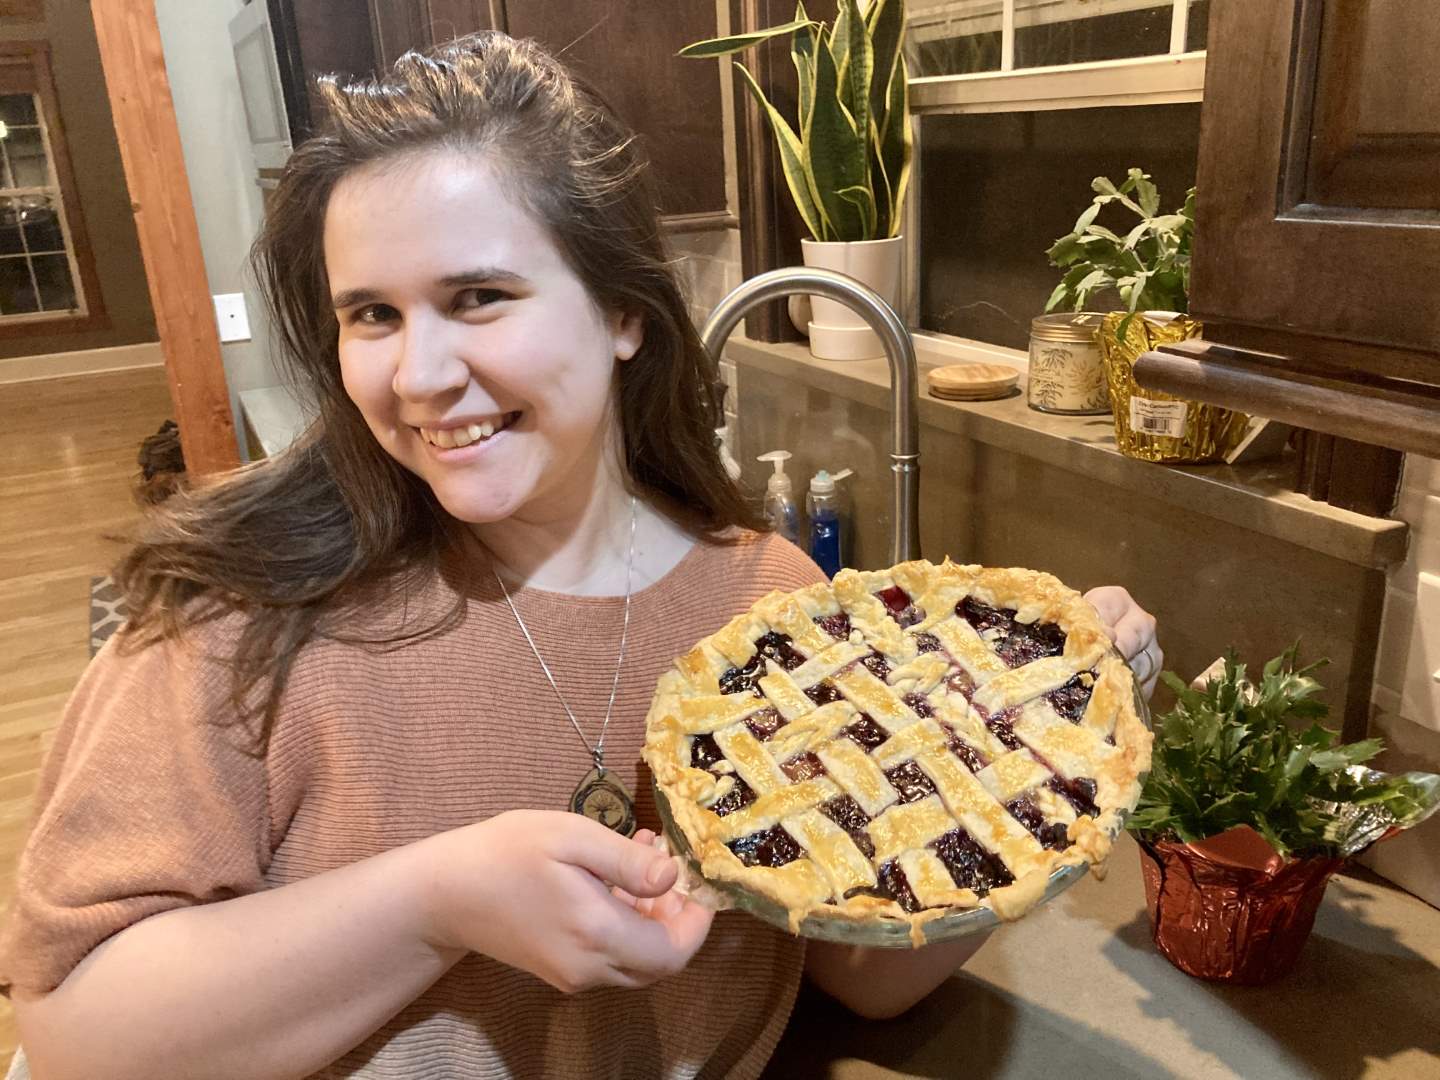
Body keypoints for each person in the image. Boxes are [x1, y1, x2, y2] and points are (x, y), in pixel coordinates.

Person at [0, 32, 1161, 1080]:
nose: (417, 376)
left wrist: (1034, 759)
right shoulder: (240, 615)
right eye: (372, 316)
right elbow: (74, 1031)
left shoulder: (770, 612)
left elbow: (862, 971)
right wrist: (434, 904)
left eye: (479, 296)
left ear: (623, 313)